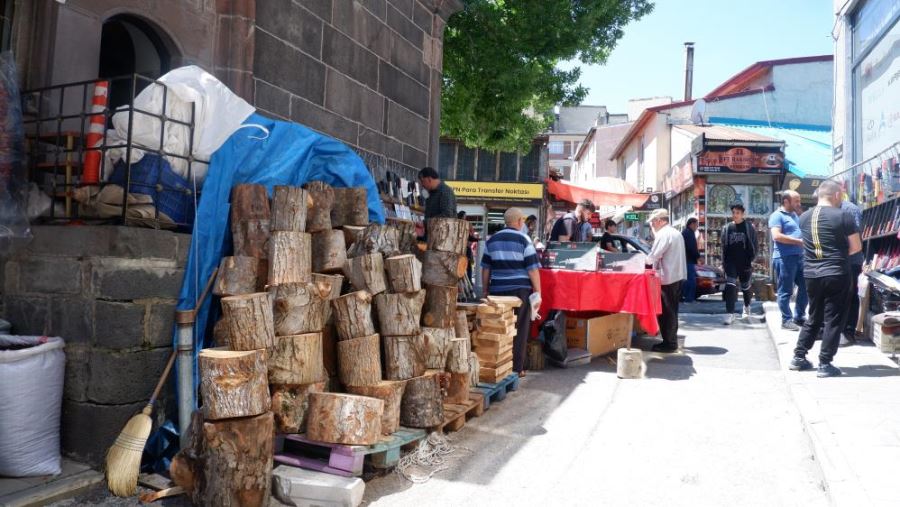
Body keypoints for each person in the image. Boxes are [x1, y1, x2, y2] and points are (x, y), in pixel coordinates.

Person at [790, 180, 862, 378]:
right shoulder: (843, 216)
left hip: (811, 273)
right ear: (837, 195)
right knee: (833, 319)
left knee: (814, 315)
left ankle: (799, 356)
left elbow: (806, 245)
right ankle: (825, 362)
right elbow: (856, 247)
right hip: (836, 272)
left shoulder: (803, 217)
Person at [482, 207, 542, 377]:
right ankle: (517, 368)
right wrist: (538, 292)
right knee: (520, 328)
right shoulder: (524, 239)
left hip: (497, 290)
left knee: (500, 326)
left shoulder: (492, 240)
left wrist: (485, 290)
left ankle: (498, 367)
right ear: (518, 222)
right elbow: (532, 269)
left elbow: (486, 268)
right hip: (520, 291)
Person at [645, 209, 686, 353]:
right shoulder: (674, 232)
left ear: (660, 221)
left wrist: (642, 261)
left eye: (653, 221)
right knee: (672, 310)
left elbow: (653, 256)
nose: (652, 224)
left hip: (668, 278)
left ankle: (669, 342)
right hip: (676, 276)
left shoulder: (664, 234)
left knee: (667, 311)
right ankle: (671, 340)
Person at [769, 190, 807, 331]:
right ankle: (786, 320)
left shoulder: (795, 215)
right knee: (786, 291)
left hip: (800, 257)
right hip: (784, 258)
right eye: (796, 201)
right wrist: (798, 241)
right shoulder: (776, 216)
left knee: (806, 287)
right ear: (786, 201)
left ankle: (799, 317)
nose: (799, 203)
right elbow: (776, 236)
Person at [721, 203, 757, 325]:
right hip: (731, 262)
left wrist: (751, 259)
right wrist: (724, 263)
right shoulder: (727, 228)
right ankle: (730, 314)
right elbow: (723, 247)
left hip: (745, 262)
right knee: (730, 286)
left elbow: (754, 244)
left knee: (745, 287)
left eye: (737, 213)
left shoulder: (748, 227)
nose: (735, 215)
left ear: (742, 214)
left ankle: (747, 307)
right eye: (733, 213)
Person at [840, 196, 864, 346]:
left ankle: (848, 332)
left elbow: (856, 234)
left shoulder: (850, 209)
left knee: (850, 296)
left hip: (852, 260)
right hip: (838, 260)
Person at [681, 217, 700, 303]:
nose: (697, 227)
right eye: (696, 225)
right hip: (688, 260)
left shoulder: (686, 232)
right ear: (691, 224)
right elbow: (692, 248)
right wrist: (698, 256)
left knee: (687, 280)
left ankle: (686, 297)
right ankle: (689, 298)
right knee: (691, 280)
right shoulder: (689, 233)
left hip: (685, 260)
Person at [458, 210, 478, 283]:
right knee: (468, 266)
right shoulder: (466, 224)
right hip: (466, 248)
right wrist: (477, 239)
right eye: (465, 216)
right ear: (463, 216)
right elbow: (470, 236)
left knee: (463, 265)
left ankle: (464, 282)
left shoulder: (457, 224)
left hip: (459, 248)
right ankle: (468, 281)